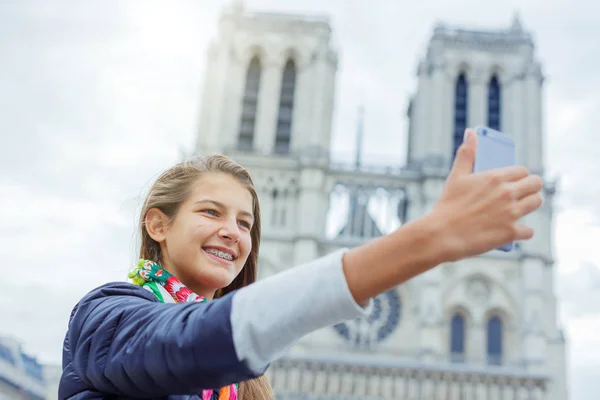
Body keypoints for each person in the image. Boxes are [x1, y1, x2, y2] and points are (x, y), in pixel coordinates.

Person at [58, 129, 543, 399]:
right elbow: (189, 343)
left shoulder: (247, 380)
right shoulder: (104, 318)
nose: (233, 231)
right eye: (211, 212)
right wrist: (427, 240)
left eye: (246, 223)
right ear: (157, 225)